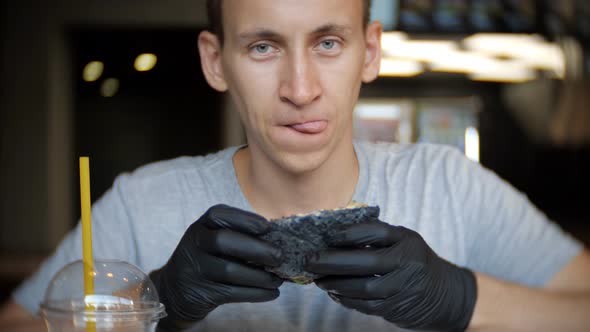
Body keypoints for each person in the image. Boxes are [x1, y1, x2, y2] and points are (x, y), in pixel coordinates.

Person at [1, 0, 589, 331]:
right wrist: (152, 301)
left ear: (371, 51)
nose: (301, 88)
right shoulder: (141, 201)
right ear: (216, 61)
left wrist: (462, 298)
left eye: (328, 43)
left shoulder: (449, 185)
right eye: (263, 47)